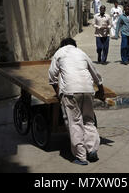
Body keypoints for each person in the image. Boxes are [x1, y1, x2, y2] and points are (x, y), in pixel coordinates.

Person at [49, 38, 105, 166]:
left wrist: (58, 92)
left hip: (70, 92)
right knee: (88, 120)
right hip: (88, 90)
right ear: (74, 45)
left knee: (75, 123)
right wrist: (101, 91)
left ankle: (81, 156)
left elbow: (52, 77)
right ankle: (92, 150)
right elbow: (96, 74)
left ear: (62, 45)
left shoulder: (59, 53)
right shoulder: (81, 53)